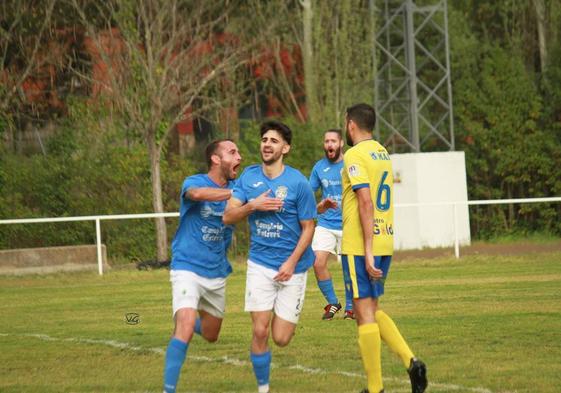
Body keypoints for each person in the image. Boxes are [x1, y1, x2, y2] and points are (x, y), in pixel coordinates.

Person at [223, 121, 316, 393]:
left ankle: (285, 315)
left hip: (293, 268)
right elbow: (228, 216)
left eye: (274, 141)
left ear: (285, 148)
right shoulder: (249, 178)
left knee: (281, 337)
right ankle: (263, 389)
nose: (267, 144)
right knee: (260, 331)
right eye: (264, 139)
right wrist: (253, 205)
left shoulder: (299, 183)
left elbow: (309, 228)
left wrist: (290, 262)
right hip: (260, 265)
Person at [340, 103, 428, 393]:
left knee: (363, 313)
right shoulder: (382, 152)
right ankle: (412, 363)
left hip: (359, 243)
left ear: (351, 124)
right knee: (370, 307)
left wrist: (365, 249)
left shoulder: (354, 154)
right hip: (385, 238)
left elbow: (365, 201)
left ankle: (375, 388)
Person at [162, 139, 242, 393]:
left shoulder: (238, 187)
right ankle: (168, 390)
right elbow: (195, 195)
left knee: (211, 334)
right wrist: (235, 194)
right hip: (186, 265)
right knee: (185, 327)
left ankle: (183, 318)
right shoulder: (194, 182)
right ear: (216, 159)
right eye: (232, 152)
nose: (239, 157)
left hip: (216, 271)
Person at [309, 129, 354, 320]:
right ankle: (333, 302)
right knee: (317, 263)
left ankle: (351, 308)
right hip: (326, 223)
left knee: (348, 268)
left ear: (341, 143)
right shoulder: (319, 167)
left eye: (333, 141)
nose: (329, 144)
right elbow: (308, 197)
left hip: (348, 223)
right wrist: (320, 206)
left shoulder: (351, 164)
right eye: (326, 141)